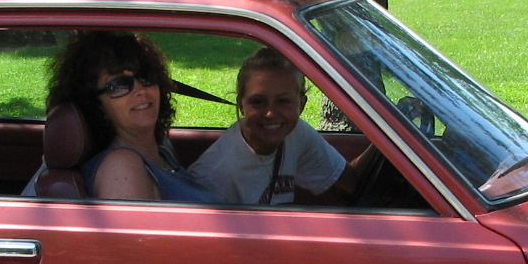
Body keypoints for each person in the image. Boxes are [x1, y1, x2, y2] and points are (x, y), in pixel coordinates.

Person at [45, 30, 217, 203]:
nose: (140, 90)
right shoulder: (121, 167)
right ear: (95, 104)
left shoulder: (162, 151)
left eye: (146, 76)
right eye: (119, 85)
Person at [191, 47, 367, 205]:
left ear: (302, 104)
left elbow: (351, 181)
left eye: (283, 101)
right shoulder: (218, 176)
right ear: (241, 105)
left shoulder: (297, 133)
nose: (270, 113)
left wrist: (387, 138)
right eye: (258, 102)